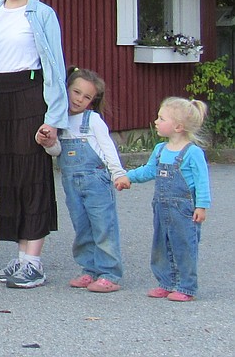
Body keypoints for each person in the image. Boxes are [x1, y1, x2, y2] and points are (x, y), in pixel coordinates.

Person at [0, 0, 68, 289]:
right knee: (8, 176)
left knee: (33, 175)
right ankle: (20, 259)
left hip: (31, 97)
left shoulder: (42, 14)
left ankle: (34, 261)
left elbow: (55, 68)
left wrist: (53, 118)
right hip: (0, 100)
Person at [38, 68, 125, 292]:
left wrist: (118, 173)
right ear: (66, 89)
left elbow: (108, 149)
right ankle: (89, 270)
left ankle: (109, 273)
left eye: (87, 97)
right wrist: (47, 142)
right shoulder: (59, 120)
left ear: (93, 101)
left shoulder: (93, 120)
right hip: (71, 184)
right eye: (76, 92)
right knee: (82, 227)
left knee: (103, 225)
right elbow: (57, 151)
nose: (79, 99)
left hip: (96, 181)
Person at [121, 97, 211, 302]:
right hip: (161, 208)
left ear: (178, 127)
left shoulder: (192, 152)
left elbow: (202, 181)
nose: (156, 121)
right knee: (161, 244)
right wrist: (129, 177)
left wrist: (202, 206)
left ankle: (187, 286)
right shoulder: (160, 150)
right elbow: (149, 170)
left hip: (184, 210)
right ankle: (166, 282)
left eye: (161, 118)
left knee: (184, 245)